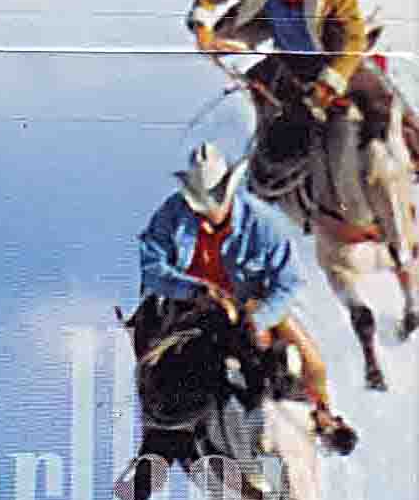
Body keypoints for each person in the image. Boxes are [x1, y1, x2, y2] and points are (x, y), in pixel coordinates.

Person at [137, 141, 357, 447]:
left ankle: (322, 414)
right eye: (200, 204)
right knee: (154, 355)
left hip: (251, 304)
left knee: (309, 356)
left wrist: (261, 317)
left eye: (215, 201)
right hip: (190, 304)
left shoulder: (264, 222)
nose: (208, 211)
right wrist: (192, 289)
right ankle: (157, 432)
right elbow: (151, 265)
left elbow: (288, 281)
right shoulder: (172, 214)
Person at [185, 0, 419, 168]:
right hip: (288, 57)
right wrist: (203, 25)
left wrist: (330, 82)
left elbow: (353, 36)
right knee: (263, 95)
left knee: (378, 98)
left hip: (331, 57)